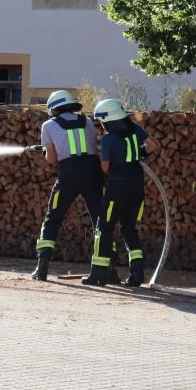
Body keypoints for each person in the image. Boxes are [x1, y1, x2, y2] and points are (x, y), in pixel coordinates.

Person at [83, 98, 158, 287]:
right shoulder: (135, 129)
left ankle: (98, 274)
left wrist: (102, 154)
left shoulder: (108, 139)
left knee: (104, 228)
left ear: (108, 119)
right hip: (137, 188)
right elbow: (153, 145)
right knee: (129, 229)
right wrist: (138, 154)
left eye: (102, 121)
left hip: (117, 189)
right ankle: (137, 275)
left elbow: (106, 168)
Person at [32, 90, 104, 281]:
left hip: (68, 174)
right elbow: (92, 146)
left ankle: (42, 269)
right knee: (101, 220)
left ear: (54, 108)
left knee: (53, 218)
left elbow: (52, 159)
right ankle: (106, 270)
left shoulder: (48, 125)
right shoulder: (87, 122)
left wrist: (47, 151)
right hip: (92, 173)